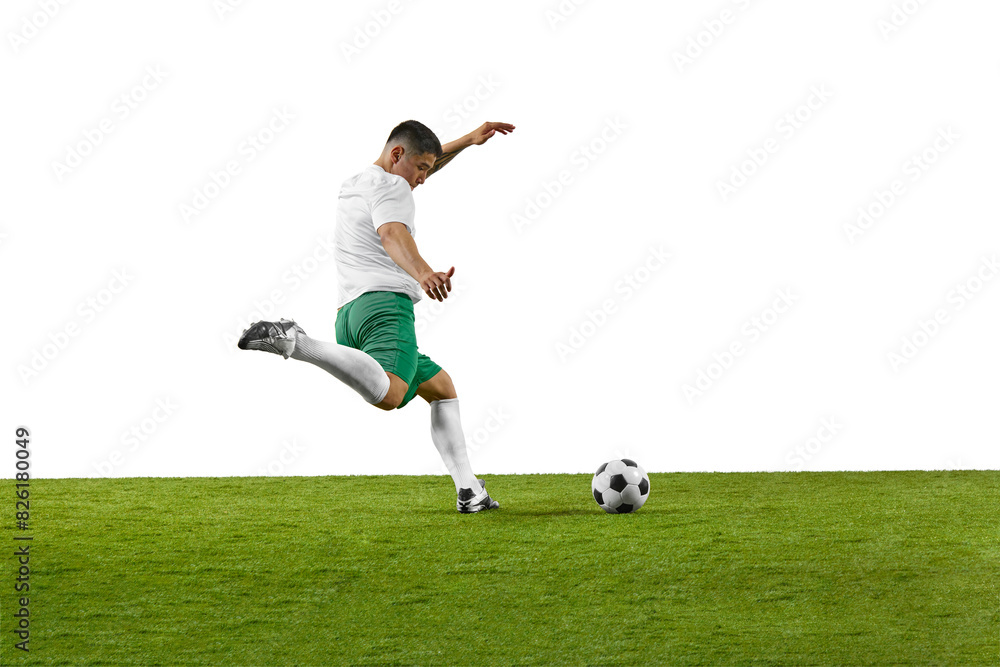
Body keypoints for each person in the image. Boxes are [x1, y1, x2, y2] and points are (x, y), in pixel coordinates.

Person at [238, 119, 515, 513]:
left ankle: (470, 490)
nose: (422, 178)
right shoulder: (394, 186)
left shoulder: (359, 182)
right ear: (397, 155)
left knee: (441, 388)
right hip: (386, 307)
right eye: (420, 169)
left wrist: (469, 141)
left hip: (351, 316)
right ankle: (295, 342)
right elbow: (391, 234)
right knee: (392, 394)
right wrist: (424, 273)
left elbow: (421, 167)